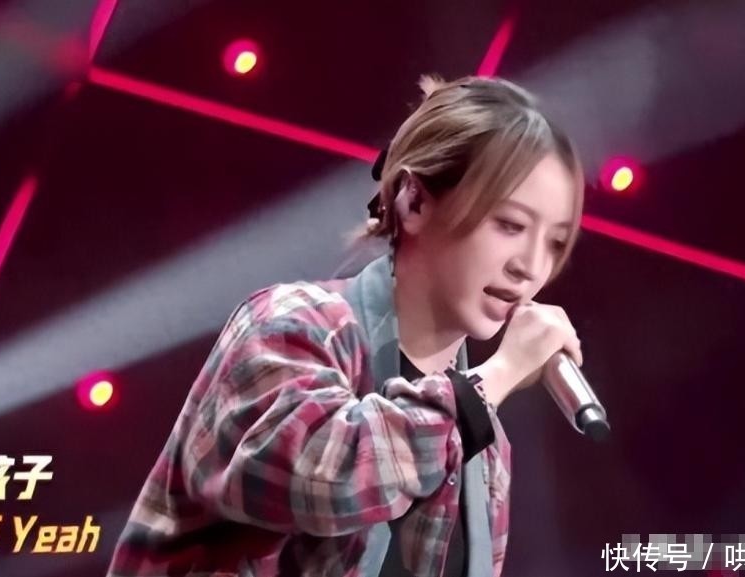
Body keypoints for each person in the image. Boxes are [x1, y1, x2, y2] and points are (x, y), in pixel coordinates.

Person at [108, 74, 586, 577]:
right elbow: (326, 478)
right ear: (415, 202)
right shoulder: (291, 326)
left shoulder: (484, 454)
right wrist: (496, 377)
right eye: (510, 225)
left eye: (554, 243)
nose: (531, 266)